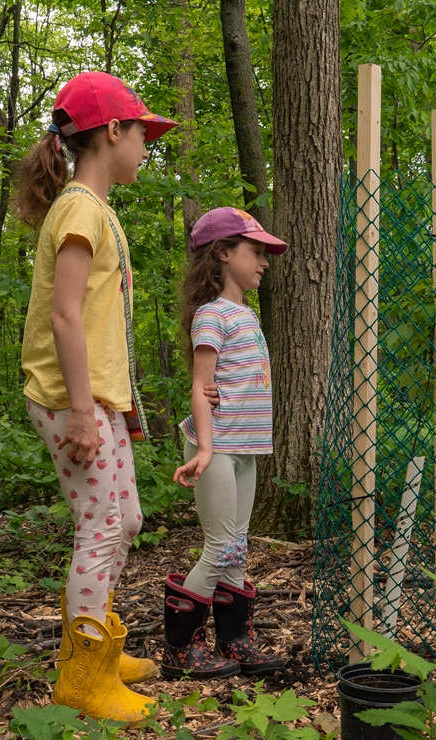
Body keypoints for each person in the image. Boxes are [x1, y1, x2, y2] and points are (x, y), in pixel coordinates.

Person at [17, 71, 177, 722]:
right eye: (143, 133)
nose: (147, 147)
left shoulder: (93, 208)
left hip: (98, 398)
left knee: (126, 519)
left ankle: (96, 648)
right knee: (102, 525)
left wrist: (109, 404)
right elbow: (63, 316)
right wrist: (83, 409)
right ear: (112, 131)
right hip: (71, 399)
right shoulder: (81, 208)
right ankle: (84, 678)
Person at [164, 208, 289, 680]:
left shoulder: (245, 314)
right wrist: (205, 449)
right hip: (216, 447)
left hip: (245, 449)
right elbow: (201, 384)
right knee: (218, 546)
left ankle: (235, 641)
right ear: (222, 253)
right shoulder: (213, 314)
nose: (264, 262)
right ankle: (179, 650)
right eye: (255, 252)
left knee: (236, 546)